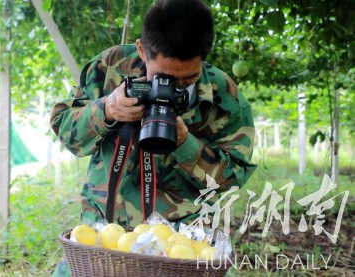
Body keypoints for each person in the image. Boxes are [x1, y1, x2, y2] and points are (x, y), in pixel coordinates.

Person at [50, 0, 256, 275]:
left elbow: (232, 179)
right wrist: (107, 109)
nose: (174, 87)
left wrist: (186, 144)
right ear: (141, 50)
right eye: (164, 79)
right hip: (104, 231)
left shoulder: (223, 95)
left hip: (180, 239)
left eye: (188, 81)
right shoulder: (111, 67)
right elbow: (64, 129)